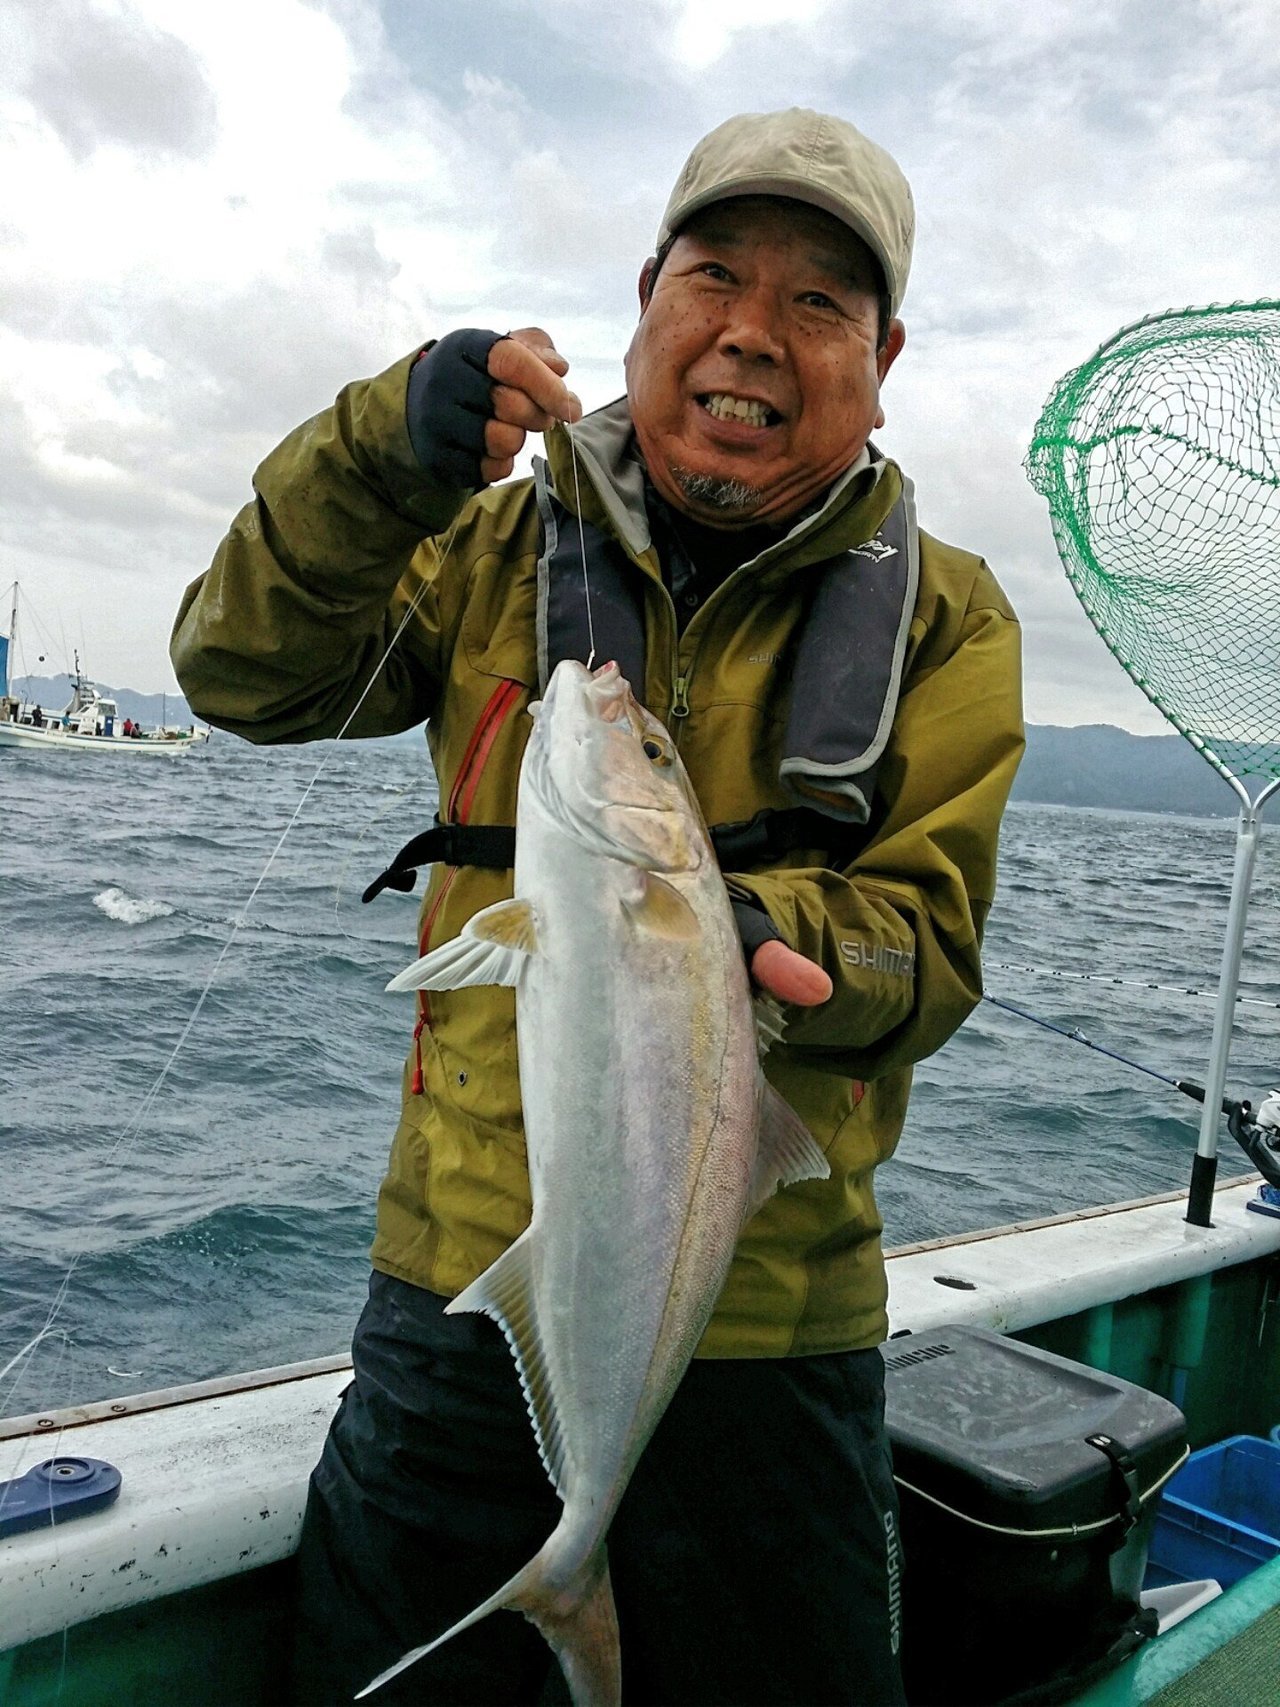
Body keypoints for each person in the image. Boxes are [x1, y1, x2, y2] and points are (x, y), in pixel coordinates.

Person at [172, 108, 1023, 1706]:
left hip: (779, 1328)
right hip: (463, 1289)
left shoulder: (951, 616)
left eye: (819, 302)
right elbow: (237, 671)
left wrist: (769, 944)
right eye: (717, 275)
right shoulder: (490, 541)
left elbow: (931, 940)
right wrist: (380, 453)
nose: (753, 332)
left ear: (884, 358)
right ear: (646, 297)